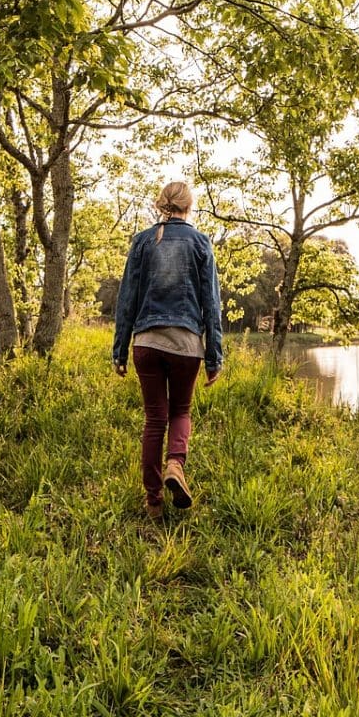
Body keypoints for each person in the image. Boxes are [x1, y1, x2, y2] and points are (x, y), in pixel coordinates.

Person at [112, 180, 223, 521]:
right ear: (190, 206)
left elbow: (127, 298)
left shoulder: (143, 241)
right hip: (186, 343)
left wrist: (119, 350)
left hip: (146, 342)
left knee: (154, 420)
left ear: (161, 205)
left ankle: (154, 502)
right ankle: (176, 463)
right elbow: (211, 304)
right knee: (181, 411)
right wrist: (214, 355)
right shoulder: (201, 242)